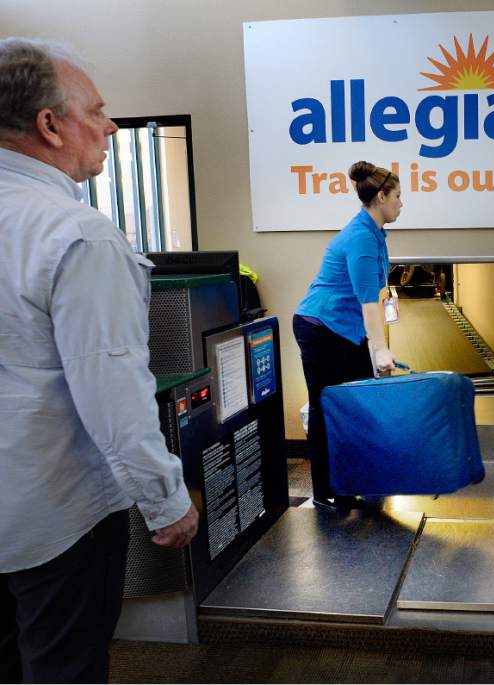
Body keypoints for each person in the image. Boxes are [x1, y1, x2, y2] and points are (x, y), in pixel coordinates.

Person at [0, 38, 199, 683]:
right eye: (97, 109)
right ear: (49, 125)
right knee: (64, 666)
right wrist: (166, 501)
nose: (111, 124)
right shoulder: (75, 233)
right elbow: (112, 391)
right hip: (55, 517)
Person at [293, 161, 403, 507]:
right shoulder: (360, 238)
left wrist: (376, 348)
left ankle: (358, 476)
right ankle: (328, 492)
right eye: (398, 197)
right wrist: (380, 349)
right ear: (382, 196)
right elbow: (368, 302)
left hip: (346, 329)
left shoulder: (374, 233)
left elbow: (374, 298)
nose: (401, 203)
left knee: (361, 402)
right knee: (327, 407)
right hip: (321, 328)